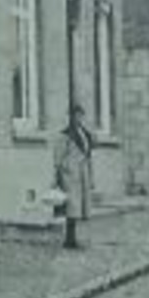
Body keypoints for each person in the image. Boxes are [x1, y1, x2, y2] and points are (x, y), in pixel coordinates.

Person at [53, 104, 94, 249]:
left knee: (79, 208)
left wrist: (91, 176)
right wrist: (59, 173)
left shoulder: (84, 133)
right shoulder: (66, 134)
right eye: (75, 115)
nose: (78, 118)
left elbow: (88, 155)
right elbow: (58, 157)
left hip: (82, 173)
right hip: (70, 174)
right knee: (71, 207)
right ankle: (69, 239)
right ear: (70, 117)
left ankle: (73, 238)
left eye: (80, 115)